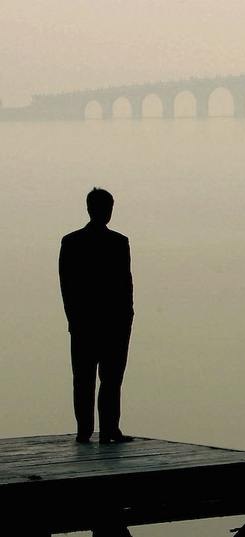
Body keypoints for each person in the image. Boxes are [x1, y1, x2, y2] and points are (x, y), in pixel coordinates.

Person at [59, 188, 134, 444]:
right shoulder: (116, 243)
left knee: (89, 379)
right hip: (104, 323)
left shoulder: (73, 242)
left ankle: (91, 430)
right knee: (104, 379)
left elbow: (67, 286)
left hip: (91, 323)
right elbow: (125, 286)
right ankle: (105, 429)